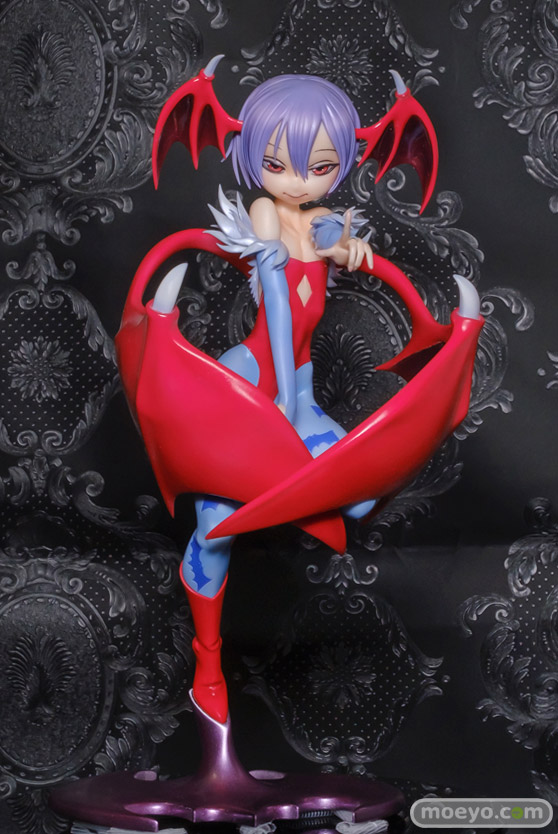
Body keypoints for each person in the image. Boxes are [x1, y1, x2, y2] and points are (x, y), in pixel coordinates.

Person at [178, 74, 378, 724]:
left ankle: (268, 496)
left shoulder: (317, 219)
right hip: (248, 386)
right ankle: (207, 665)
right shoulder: (265, 214)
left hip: (300, 386)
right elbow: (280, 309)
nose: (296, 180)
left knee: (363, 492)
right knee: (214, 530)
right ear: (254, 155)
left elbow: (332, 238)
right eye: (277, 163)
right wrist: (283, 408)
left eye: (318, 167)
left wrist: (351, 247)